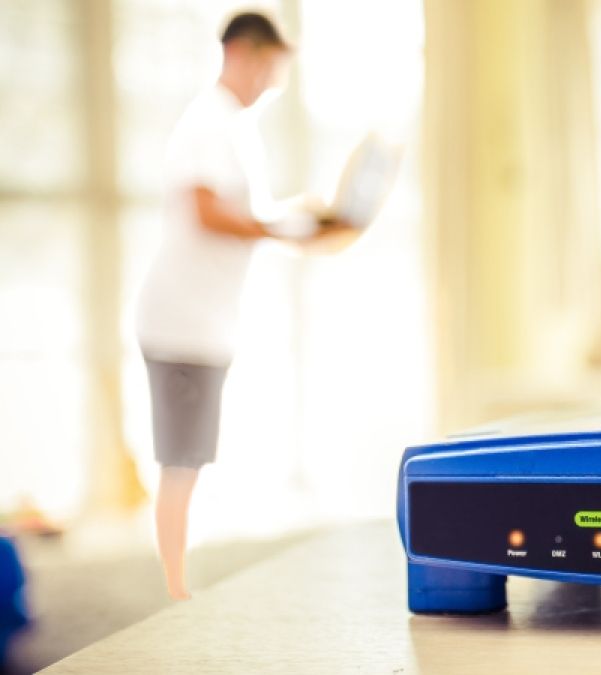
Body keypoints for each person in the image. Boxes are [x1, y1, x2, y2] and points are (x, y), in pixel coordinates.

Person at [135, 11, 354, 600]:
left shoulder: (231, 127)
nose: (273, 82)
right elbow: (209, 212)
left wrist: (295, 223)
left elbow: (241, 217)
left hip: (201, 323)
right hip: (181, 324)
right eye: (270, 67)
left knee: (189, 457)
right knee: (181, 460)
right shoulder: (209, 121)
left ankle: (176, 584)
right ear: (244, 53)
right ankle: (175, 591)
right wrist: (286, 228)